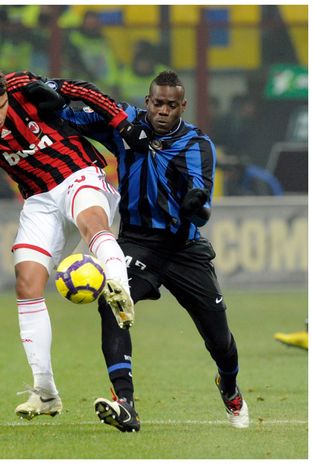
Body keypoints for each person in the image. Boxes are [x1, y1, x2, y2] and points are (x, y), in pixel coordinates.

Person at [0, 64, 149, 420]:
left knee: (92, 222)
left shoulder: (21, 86)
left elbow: (81, 89)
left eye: (1, 106)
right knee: (27, 282)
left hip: (79, 172)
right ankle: (46, 392)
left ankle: (119, 290)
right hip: (38, 199)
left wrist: (119, 122)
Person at [59, 70, 250, 430]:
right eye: (158, 103)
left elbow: (202, 206)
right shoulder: (125, 125)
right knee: (112, 300)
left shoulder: (197, 144)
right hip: (137, 243)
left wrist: (196, 204)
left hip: (184, 247)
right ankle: (125, 402)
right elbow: (72, 116)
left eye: (171, 105)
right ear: (148, 103)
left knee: (220, 339)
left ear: (183, 107)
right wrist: (47, 99)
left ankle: (229, 386)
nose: (163, 111)